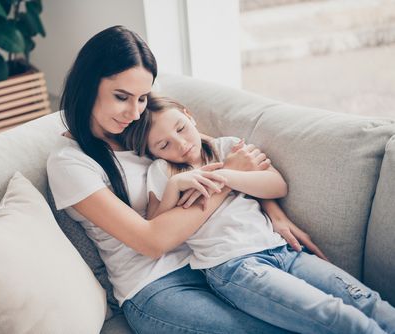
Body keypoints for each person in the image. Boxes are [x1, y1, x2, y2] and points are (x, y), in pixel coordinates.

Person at [47, 25, 323, 333]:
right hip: (154, 288)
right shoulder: (69, 163)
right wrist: (227, 180)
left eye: (141, 98)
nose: (133, 112)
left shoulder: (141, 127)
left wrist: (274, 212)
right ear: (88, 84)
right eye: (122, 96)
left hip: (212, 263)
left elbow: (220, 158)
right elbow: (152, 241)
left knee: (313, 319)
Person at [120, 95, 395, 334]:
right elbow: (156, 224)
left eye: (180, 128)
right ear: (151, 152)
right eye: (163, 145)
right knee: (334, 316)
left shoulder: (228, 148)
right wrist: (174, 187)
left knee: (365, 300)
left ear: (188, 116)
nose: (179, 144)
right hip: (235, 266)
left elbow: (277, 185)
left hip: (281, 249)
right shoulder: (162, 171)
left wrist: (226, 174)